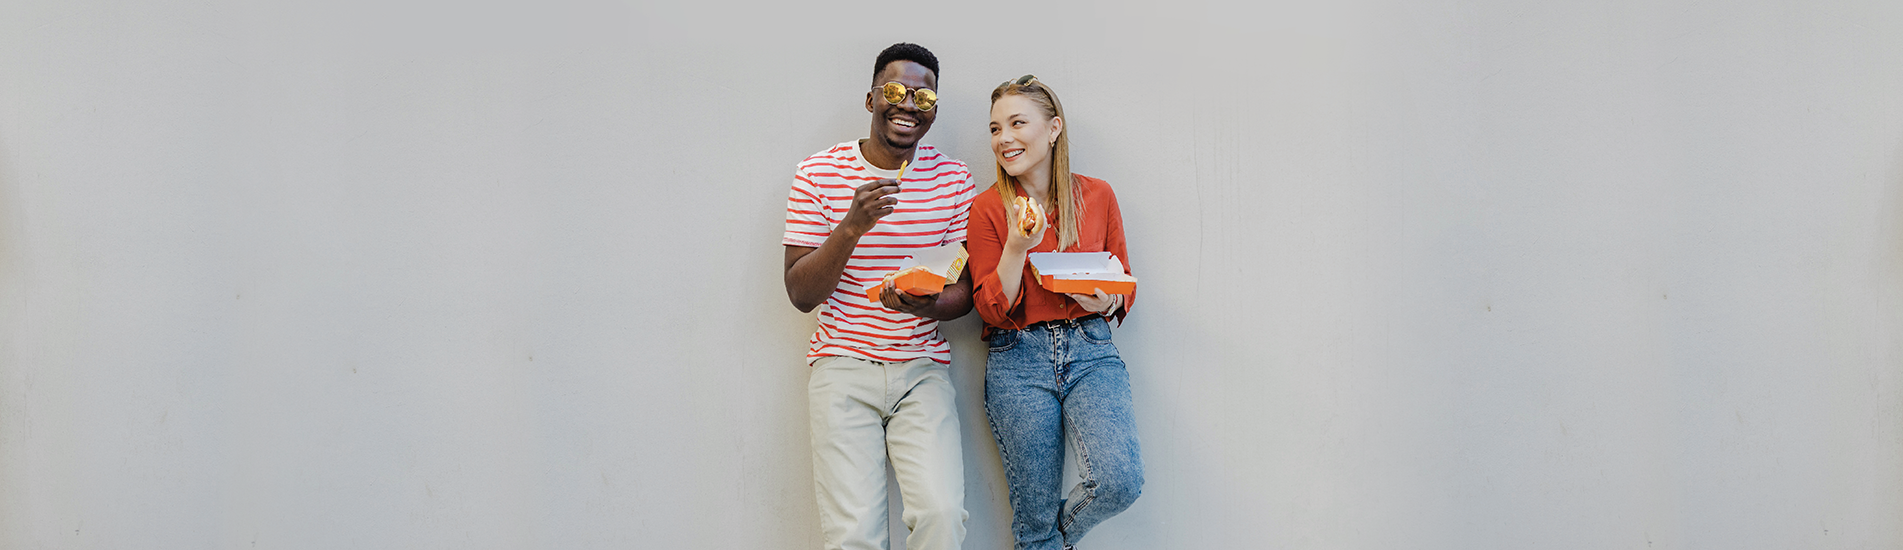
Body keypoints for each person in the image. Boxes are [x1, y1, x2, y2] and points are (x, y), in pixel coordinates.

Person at [781, 43, 977, 550]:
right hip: (843, 366)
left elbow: (964, 293)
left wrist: (926, 303)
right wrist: (851, 227)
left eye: (924, 97)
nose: (908, 104)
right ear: (870, 99)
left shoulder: (954, 180)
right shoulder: (818, 173)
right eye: (894, 91)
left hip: (921, 370)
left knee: (941, 514)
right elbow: (801, 292)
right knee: (855, 537)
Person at [966, 75, 1144, 550]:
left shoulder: (1099, 196)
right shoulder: (986, 209)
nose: (1004, 138)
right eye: (995, 128)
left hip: (1091, 351)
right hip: (1017, 359)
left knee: (1119, 481)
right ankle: (1038, 536)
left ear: (1053, 128)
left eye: (1017, 123)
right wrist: (1016, 248)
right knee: (1034, 510)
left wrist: (1105, 301)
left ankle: (1041, 541)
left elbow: (1122, 281)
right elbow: (990, 306)